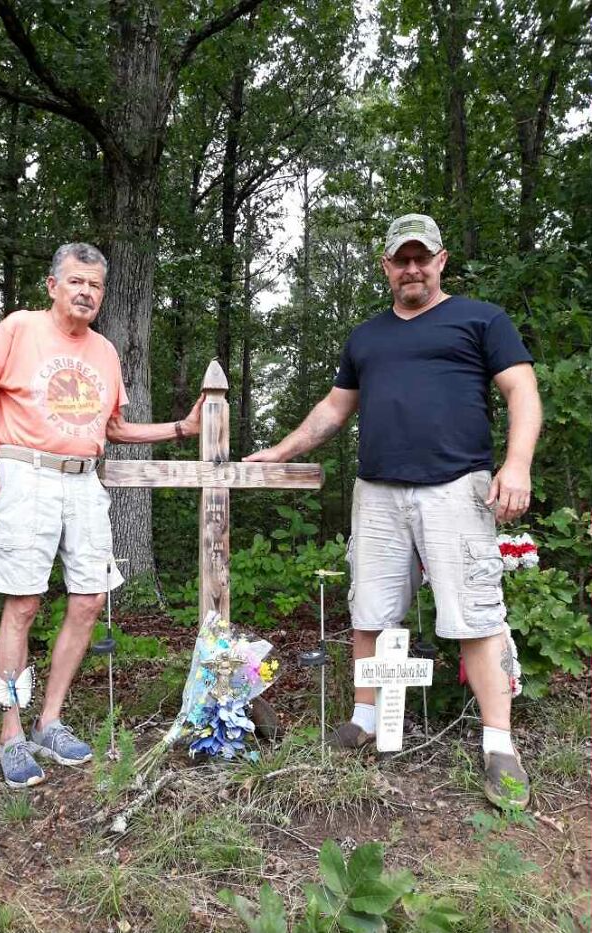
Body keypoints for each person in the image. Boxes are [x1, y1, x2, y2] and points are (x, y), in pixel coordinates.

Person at [245, 214, 542, 809]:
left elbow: (522, 391)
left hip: (457, 488)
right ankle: (366, 718)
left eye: (421, 257)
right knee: (370, 612)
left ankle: (498, 743)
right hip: (377, 492)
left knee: (475, 616)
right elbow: (334, 410)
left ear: (440, 260)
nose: (411, 268)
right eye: (400, 259)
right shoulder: (367, 337)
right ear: (385, 266)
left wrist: (516, 465)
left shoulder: (481, 319)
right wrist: (277, 451)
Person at [0, 243, 203, 789]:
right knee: (23, 603)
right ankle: (11, 734)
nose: (86, 292)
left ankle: (49, 721)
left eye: (95, 285)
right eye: (75, 282)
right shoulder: (20, 328)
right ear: (53, 286)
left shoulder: (106, 352)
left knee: (90, 599)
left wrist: (180, 430)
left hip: (84, 479)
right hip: (26, 471)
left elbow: (113, 429)